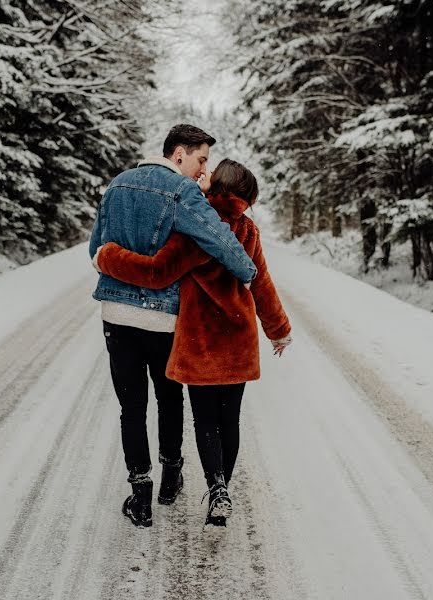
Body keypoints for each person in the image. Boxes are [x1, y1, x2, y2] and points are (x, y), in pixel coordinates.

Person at [94, 158, 292, 527]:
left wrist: (108, 257)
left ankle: (214, 484)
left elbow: (155, 273)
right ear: (246, 197)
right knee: (229, 419)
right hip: (240, 338)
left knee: (204, 420)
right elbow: (261, 282)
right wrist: (278, 328)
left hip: (201, 342)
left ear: (215, 188)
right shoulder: (248, 231)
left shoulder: (195, 229)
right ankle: (221, 492)